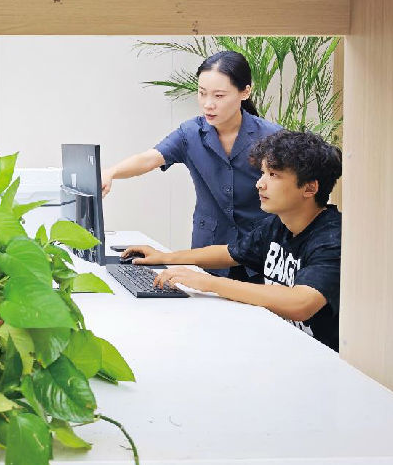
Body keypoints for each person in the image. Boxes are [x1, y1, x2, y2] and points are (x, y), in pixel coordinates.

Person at [121, 130, 343, 351]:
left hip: (318, 356)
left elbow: (301, 303)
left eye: (274, 175)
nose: (260, 184)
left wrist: (208, 283)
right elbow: (231, 253)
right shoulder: (277, 224)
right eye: (263, 173)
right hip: (279, 342)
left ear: (310, 188)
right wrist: (166, 257)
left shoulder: (333, 236)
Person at [102, 50, 281, 277]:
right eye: (202, 93)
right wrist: (111, 172)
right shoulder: (190, 133)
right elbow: (149, 158)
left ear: (245, 92)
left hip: (261, 251)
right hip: (208, 250)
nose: (208, 104)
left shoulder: (272, 137)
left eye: (219, 96)